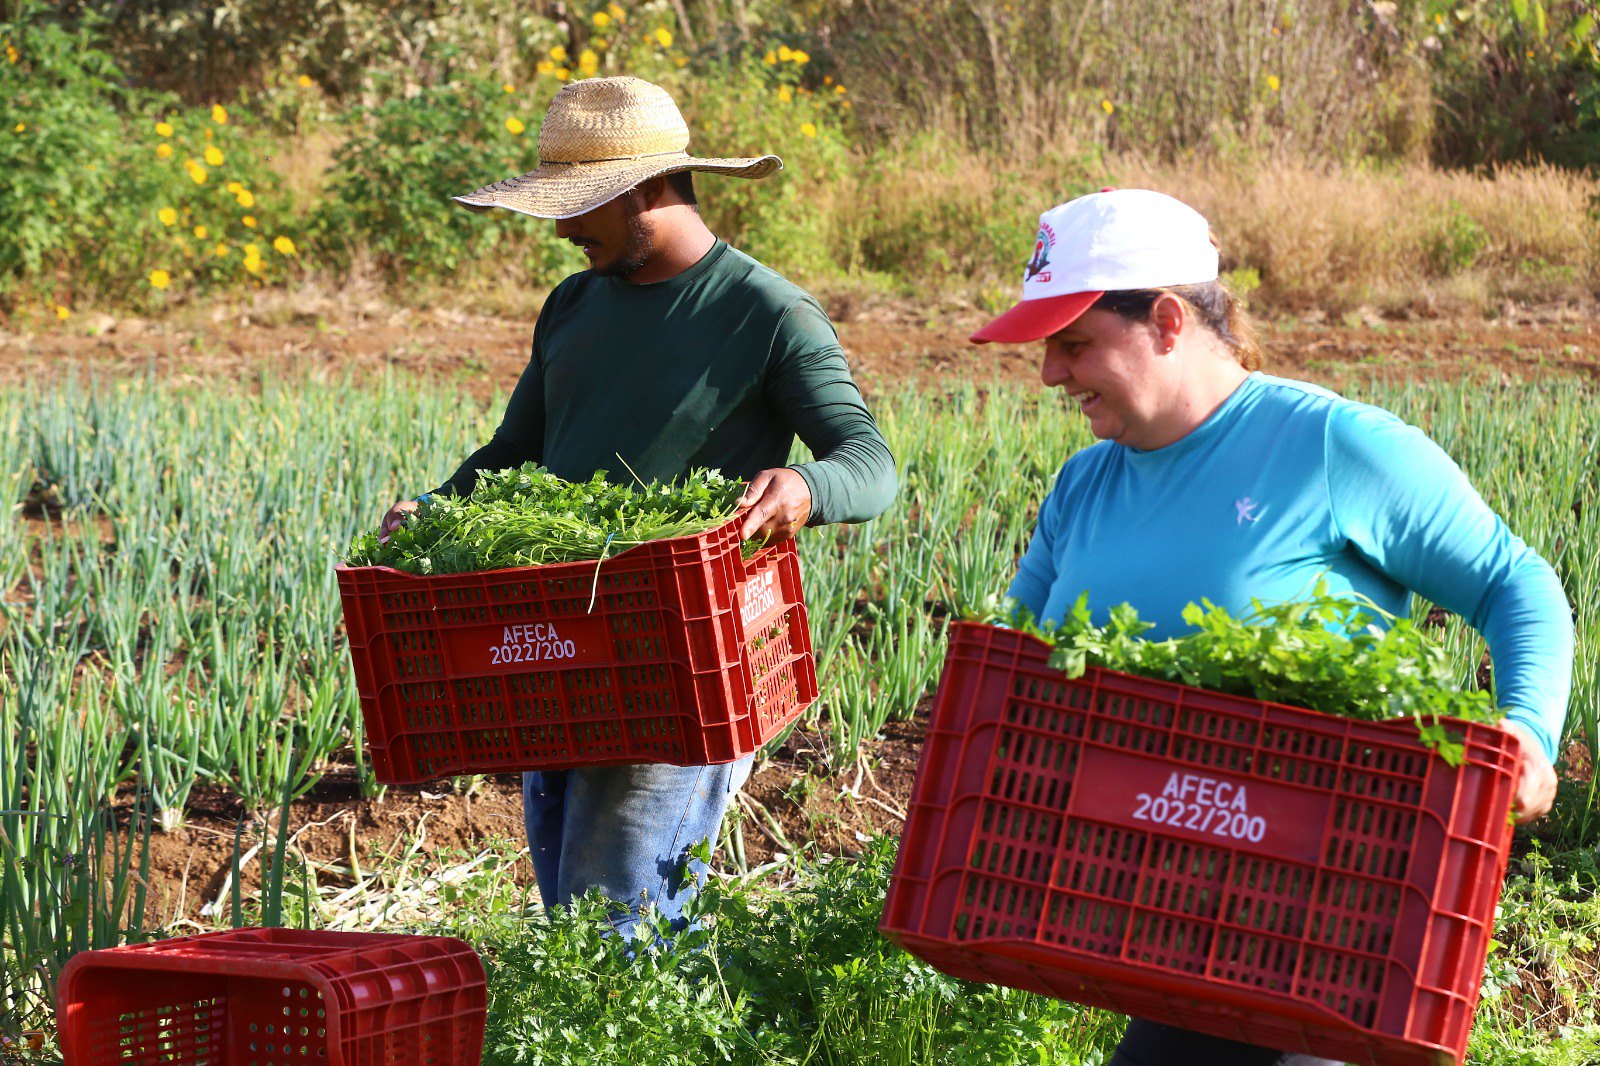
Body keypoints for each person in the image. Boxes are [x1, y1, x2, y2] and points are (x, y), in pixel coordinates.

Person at [969, 188, 1571, 1066]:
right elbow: (1014, 670)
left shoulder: (1334, 448)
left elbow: (1517, 585)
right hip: (1163, 927)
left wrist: (1526, 731)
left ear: (1168, 321)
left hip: (1332, 923)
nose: (1052, 374)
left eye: (1075, 343)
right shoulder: (1083, 486)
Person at [379, 76, 897, 936]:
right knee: (580, 909)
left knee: (618, 921)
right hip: (564, 648)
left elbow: (872, 464)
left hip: (677, 657)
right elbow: (514, 456)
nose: (562, 228)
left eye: (580, 207)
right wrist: (433, 510)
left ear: (649, 190)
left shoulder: (765, 313)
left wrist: (805, 486)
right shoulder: (575, 305)